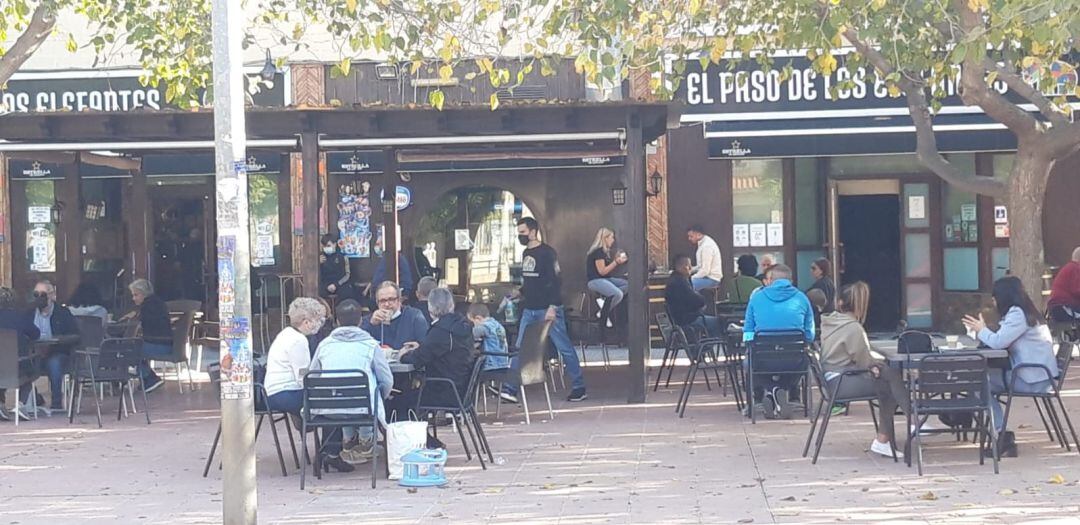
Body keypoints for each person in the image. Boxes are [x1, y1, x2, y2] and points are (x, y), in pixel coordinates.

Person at [962, 276, 1059, 458]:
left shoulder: (1017, 314)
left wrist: (981, 329)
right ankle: (981, 424)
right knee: (982, 379)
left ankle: (1001, 434)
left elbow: (998, 342)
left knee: (978, 383)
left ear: (1004, 296)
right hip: (1039, 376)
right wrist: (982, 331)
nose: (994, 301)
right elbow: (1001, 337)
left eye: (995, 296)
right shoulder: (1025, 312)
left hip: (1032, 379)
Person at [820, 282, 912, 458]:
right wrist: (874, 365)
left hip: (833, 378)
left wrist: (875, 366)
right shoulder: (853, 328)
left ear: (840, 303)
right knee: (889, 385)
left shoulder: (831, 322)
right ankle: (905, 425)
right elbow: (864, 360)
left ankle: (893, 433)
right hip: (843, 381)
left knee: (888, 375)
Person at [309, 299, 393, 469]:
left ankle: (339, 446)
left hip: (328, 410)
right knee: (373, 390)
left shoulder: (324, 345)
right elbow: (387, 379)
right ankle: (366, 441)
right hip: (363, 409)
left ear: (338, 321)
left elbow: (312, 377)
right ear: (361, 321)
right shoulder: (370, 346)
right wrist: (379, 397)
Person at [515, 217, 587, 401]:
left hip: (547, 308)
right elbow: (531, 280)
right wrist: (519, 292)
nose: (520, 235)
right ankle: (510, 387)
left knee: (563, 347)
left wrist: (553, 307)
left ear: (532, 231)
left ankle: (579, 386)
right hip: (529, 308)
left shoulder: (548, 253)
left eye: (522, 232)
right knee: (520, 346)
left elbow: (555, 281)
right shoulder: (525, 254)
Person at [742, 264, 815, 419]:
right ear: (791, 280)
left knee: (749, 363)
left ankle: (771, 390)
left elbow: (748, 330)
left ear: (771, 280)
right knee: (803, 362)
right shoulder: (802, 298)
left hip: (762, 359)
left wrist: (748, 344)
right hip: (794, 360)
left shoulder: (757, 298)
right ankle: (779, 389)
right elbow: (810, 334)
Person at [392, 288, 475, 415]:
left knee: (397, 401)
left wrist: (403, 354)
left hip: (443, 391)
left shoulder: (440, 330)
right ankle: (423, 434)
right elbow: (438, 350)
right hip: (460, 389)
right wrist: (421, 346)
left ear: (430, 308)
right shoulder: (461, 325)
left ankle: (417, 435)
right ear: (452, 305)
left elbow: (417, 360)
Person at [263, 298, 326, 414]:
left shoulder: (286, 333)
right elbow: (303, 375)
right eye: (318, 320)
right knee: (331, 401)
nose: (319, 324)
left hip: (274, 393)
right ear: (306, 322)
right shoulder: (299, 341)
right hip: (286, 393)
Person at [23, 280, 79, 410]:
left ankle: (56, 404)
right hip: (34, 353)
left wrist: (59, 340)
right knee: (21, 363)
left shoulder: (63, 313)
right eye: (35, 294)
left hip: (57, 352)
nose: (39, 298)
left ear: (52, 296)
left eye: (43, 295)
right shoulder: (29, 313)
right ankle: (31, 400)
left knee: (54, 363)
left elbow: (76, 335)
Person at [124, 279, 172, 393]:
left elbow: (146, 325)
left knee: (129, 349)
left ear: (144, 293)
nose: (133, 298)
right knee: (134, 347)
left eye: (136, 295)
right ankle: (144, 377)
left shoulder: (147, 307)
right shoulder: (157, 303)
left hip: (159, 345)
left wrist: (134, 318)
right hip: (165, 343)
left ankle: (149, 378)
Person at [0, 287, 41, 421]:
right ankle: (21, 404)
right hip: (18, 365)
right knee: (32, 371)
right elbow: (36, 334)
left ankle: (1, 405)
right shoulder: (19, 317)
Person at [664, 254, 721, 339]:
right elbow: (697, 301)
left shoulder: (675, 280)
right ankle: (707, 345)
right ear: (682, 267)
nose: (691, 268)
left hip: (681, 319)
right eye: (689, 266)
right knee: (718, 322)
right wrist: (703, 298)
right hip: (687, 320)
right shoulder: (680, 282)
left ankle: (704, 345)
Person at [362, 281, 429, 353]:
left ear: (399, 300)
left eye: (391, 299)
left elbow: (426, 345)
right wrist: (370, 324)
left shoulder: (414, 316)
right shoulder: (369, 320)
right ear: (377, 302)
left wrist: (417, 347)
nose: (387, 304)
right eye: (382, 301)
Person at [467, 303, 514, 402]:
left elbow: (469, 336)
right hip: (503, 364)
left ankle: (470, 401)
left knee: (469, 374)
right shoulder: (498, 325)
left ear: (478, 318)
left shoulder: (484, 327)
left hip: (491, 366)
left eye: (473, 322)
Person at [585, 227, 629, 323]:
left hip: (605, 280)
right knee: (618, 294)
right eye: (612, 237)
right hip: (595, 281)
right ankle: (603, 313)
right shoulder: (598, 252)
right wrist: (616, 262)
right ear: (605, 238)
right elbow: (602, 271)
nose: (613, 240)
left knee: (628, 285)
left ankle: (605, 302)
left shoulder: (604, 252)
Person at [1047, 247, 1080, 323]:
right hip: (1064, 307)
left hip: (1058, 308)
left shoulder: (1069, 268)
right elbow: (1077, 290)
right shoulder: (1075, 268)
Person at [686, 225, 723, 292]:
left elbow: (705, 270)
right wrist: (689, 270)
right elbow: (700, 266)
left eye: (691, 236)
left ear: (699, 235)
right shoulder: (703, 244)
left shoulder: (707, 246)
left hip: (711, 279)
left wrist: (691, 278)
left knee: (686, 285)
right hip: (706, 278)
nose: (689, 238)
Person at [319, 234, 355, 302]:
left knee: (347, 292)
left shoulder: (343, 257)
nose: (326, 248)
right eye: (324, 246)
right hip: (325, 285)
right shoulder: (320, 257)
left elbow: (347, 275)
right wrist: (318, 264)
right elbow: (316, 276)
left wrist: (336, 285)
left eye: (328, 246)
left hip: (340, 284)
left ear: (334, 244)